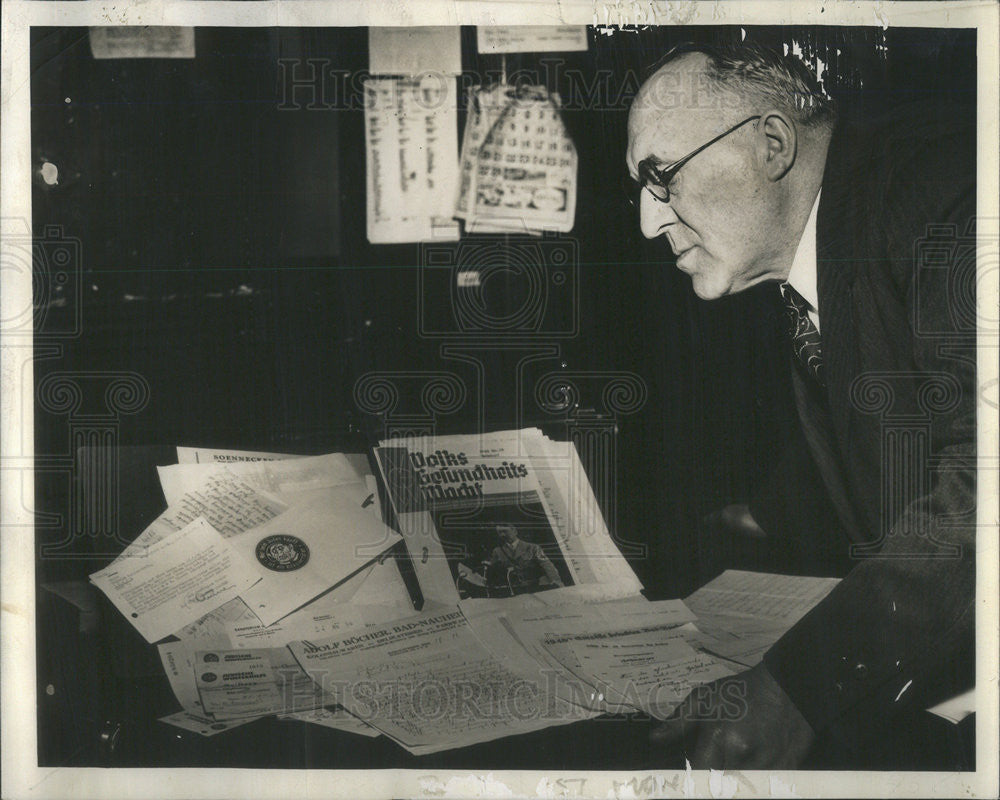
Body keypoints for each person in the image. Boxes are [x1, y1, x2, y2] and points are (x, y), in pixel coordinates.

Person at [626, 42, 976, 768]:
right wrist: (762, 515)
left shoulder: (948, 193)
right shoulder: (827, 247)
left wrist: (799, 689)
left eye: (661, 178)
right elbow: (886, 416)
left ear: (773, 144)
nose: (647, 221)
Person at [487, 523, 564, 594]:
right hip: (514, 590)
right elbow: (493, 568)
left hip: (535, 587)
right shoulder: (497, 551)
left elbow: (547, 565)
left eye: (505, 531)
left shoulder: (533, 548)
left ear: (514, 531)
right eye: (500, 533)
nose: (502, 535)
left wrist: (556, 582)